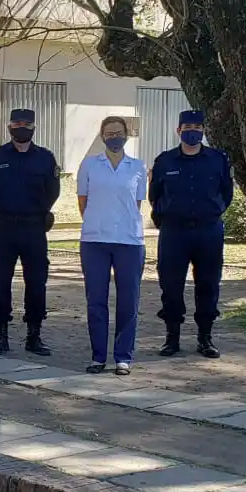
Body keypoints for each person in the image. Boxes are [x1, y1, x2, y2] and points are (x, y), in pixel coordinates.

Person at [149, 110, 232, 359]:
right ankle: (171, 338)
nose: (192, 131)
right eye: (187, 127)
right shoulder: (165, 161)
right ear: (178, 131)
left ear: (204, 130)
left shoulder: (218, 159)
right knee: (171, 285)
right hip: (174, 231)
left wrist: (212, 212)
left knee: (208, 284)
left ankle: (205, 338)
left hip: (208, 230)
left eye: (197, 126)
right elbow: (155, 195)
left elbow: (226, 193)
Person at [0, 109, 60, 356]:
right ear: (9, 126)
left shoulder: (45, 158)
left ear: (34, 127)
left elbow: (53, 190)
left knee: (37, 283)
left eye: (26, 124)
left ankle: (34, 335)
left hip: (34, 227)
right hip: (4, 227)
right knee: (0, 282)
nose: (21, 127)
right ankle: (0, 335)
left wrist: (39, 211)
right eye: (17, 123)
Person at [76, 116, 148, 375]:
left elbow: (136, 204)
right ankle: (98, 356)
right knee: (96, 300)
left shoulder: (137, 167)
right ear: (102, 135)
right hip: (95, 240)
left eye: (118, 132)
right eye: (109, 133)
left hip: (129, 241)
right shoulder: (89, 165)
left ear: (127, 135)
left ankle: (123, 357)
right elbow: (83, 202)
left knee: (129, 300)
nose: (114, 136)